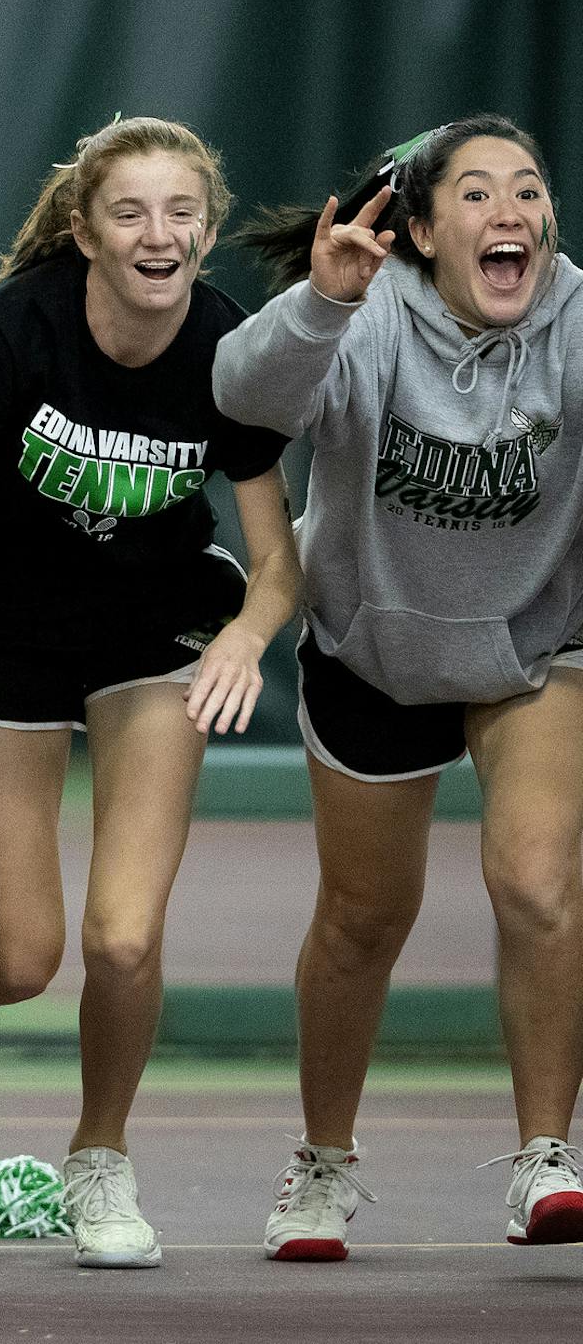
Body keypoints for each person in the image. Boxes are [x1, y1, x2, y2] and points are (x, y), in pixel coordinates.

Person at [0, 115, 301, 1269]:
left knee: (122, 936)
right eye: (130, 212)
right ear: (84, 229)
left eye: (182, 213)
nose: (160, 235)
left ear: (206, 230)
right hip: (0, 633)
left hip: (149, 636)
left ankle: (99, 1158)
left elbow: (276, 557)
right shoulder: (21, 328)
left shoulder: (228, 346)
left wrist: (248, 637)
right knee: (23, 958)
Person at [219, 113, 583, 1258]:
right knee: (363, 919)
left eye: (527, 190)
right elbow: (243, 397)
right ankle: (321, 1168)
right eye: (476, 195)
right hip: (374, 643)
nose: (510, 212)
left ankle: (545, 1159)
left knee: (535, 883)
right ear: (421, 230)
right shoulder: (368, 315)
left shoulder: (574, 316)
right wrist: (322, 302)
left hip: (537, 644)